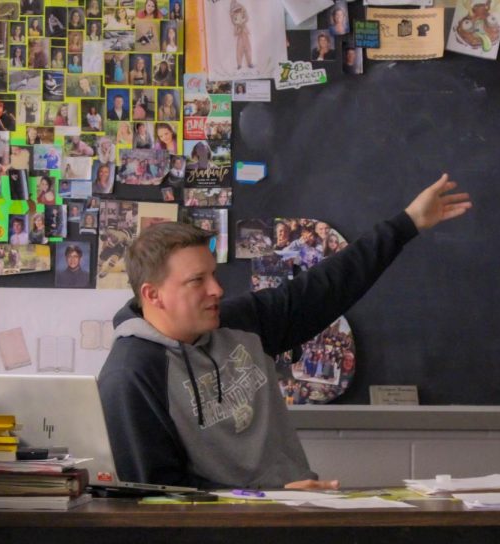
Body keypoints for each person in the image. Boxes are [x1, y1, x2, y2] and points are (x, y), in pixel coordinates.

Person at [97, 174, 471, 490]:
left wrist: (407, 224)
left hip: (293, 512)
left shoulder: (240, 323)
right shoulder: (130, 374)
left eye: (214, 274)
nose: (217, 289)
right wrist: (264, 500)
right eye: (198, 280)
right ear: (152, 295)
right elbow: (156, 496)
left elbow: (327, 286)